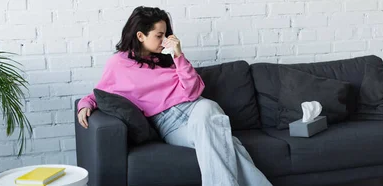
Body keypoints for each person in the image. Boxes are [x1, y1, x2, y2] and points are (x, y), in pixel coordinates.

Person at [76, 6, 272, 186]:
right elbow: (101, 92)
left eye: (166, 35)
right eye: (159, 35)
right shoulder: (118, 64)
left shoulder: (168, 59)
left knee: (209, 113)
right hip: (169, 125)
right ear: (141, 35)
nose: (164, 41)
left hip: (196, 109)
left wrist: (178, 55)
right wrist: (86, 104)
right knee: (227, 143)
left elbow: (193, 91)